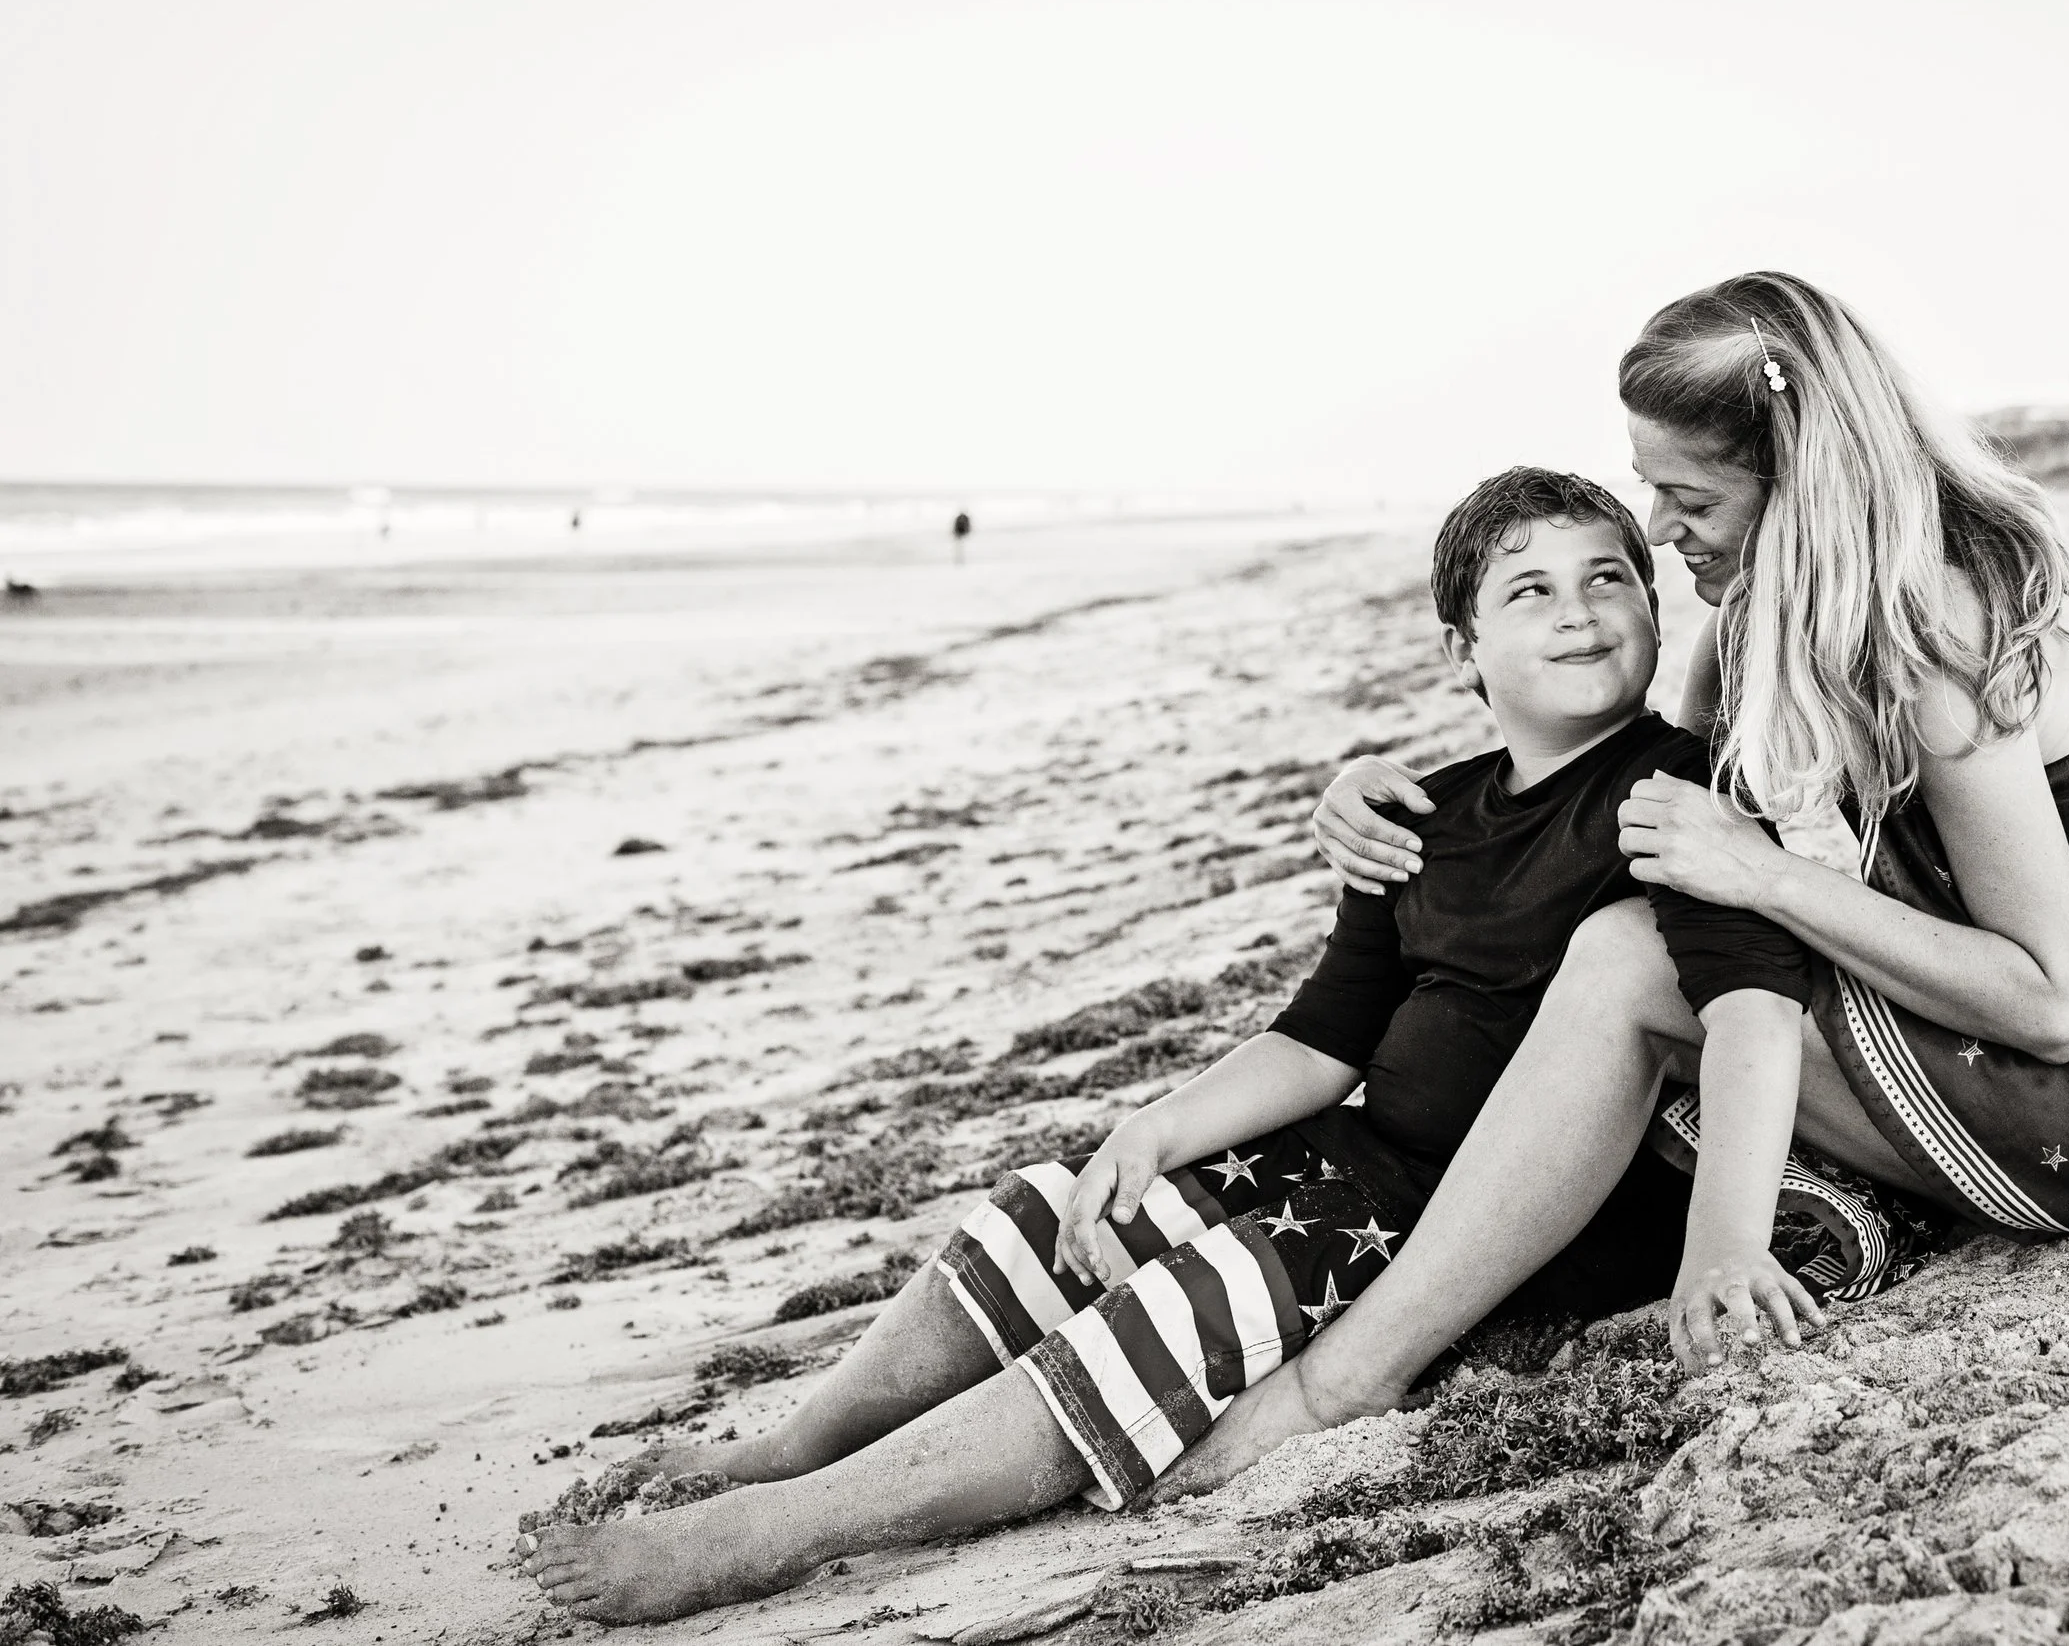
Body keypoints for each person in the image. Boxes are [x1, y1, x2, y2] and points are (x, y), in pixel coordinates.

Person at [515, 466, 1827, 1623]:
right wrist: (1156, 1128)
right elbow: (1322, 1036)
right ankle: (806, 1439)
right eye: (1529, 590)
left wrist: (1729, 1232)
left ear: (1659, 610)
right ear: (1460, 650)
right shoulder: (1419, 812)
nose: (1582, 608)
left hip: (1485, 1212)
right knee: (1038, 1211)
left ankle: (781, 1533)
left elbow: (1733, 1005)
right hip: (1346, 1156)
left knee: (1179, 1308)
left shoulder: (1675, 792)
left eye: (1611, 575)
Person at [1150, 270, 2069, 1495]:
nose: (1654, 526)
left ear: (1798, 483)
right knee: (1645, 948)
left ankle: (1348, 1376)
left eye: (1687, 494)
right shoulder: (1802, 589)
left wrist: (1761, 874)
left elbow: (2045, 1002)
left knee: (1631, 961)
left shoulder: (1933, 623)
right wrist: (1395, 797)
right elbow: (1627, 780)